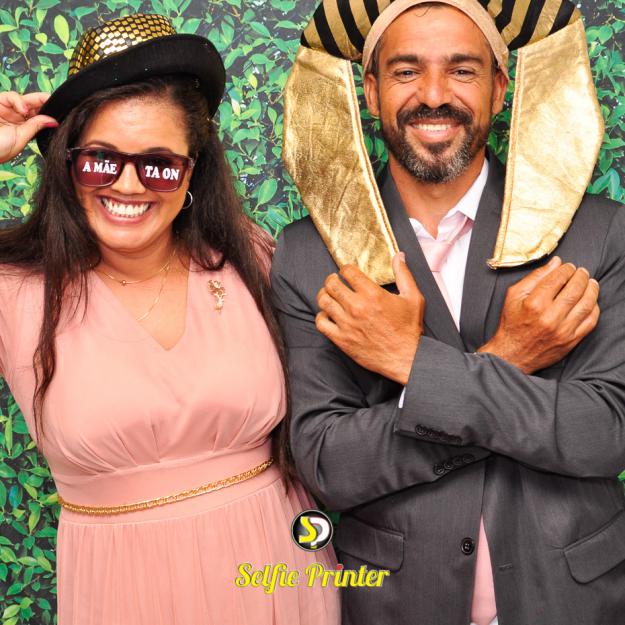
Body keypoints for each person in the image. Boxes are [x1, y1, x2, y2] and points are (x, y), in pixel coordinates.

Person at [272, 1, 625, 624]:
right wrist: (509, 358)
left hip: (572, 600)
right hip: (398, 604)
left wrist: (411, 364)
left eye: (462, 70)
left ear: (499, 88)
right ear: (371, 92)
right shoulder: (309, 252)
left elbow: (604, 434)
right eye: (406, 72)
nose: (434, 96)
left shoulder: (599, 233)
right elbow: (331, 463)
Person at [0, 13, 339, 625]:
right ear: (66, 163)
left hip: (278, 572)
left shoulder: (248, 259)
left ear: (191, 173)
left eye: (158, 164)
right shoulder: (15, 289)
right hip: (122, 593)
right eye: (101, 160)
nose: (129, 185)